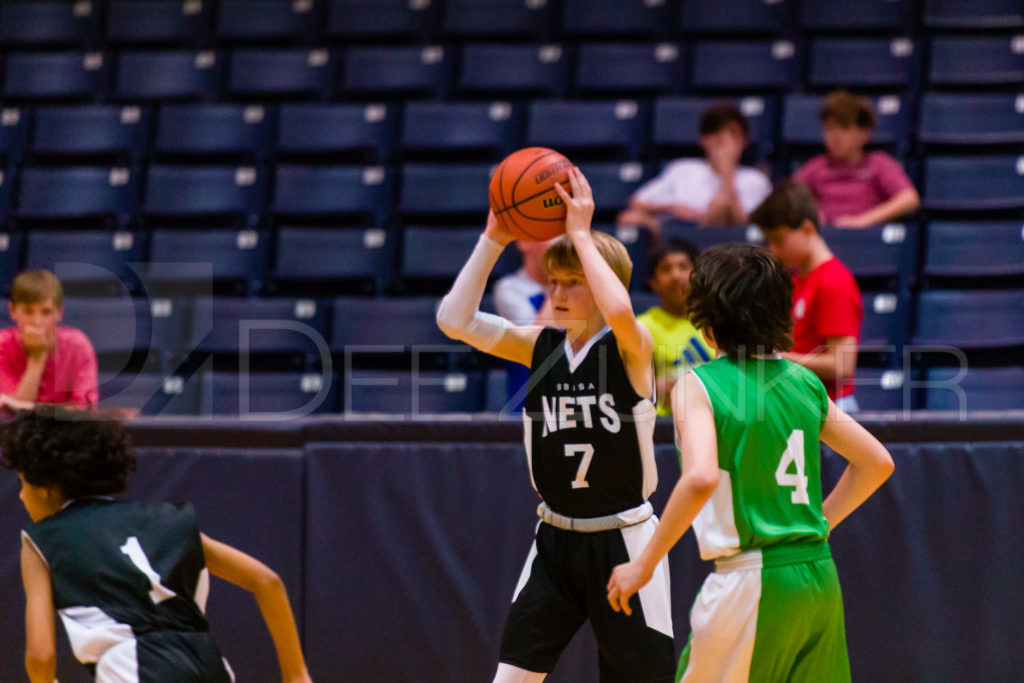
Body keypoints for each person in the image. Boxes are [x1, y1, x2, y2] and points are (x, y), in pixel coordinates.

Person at [606, 242, 895, 682]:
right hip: (817, 573)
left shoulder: (697, 385)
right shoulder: (804, 381)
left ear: (703, 320)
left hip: (751, 580)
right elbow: (876, 462)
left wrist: (643, 563)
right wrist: (818, 524)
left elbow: (701, 477)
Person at [437, 168, 675, 682]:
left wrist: (583, 234)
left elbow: (620, 310)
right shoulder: (538, 346)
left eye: (575, 283)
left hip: (624, 539)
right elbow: (454, 321)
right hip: (555, 539)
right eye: (555, 283)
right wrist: (493, 239)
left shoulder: (633, 349)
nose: (561, 293)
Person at [3, 404, 313, 683]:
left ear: (45, 486)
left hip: (132, 669)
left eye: (23, 483)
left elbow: (40, 655)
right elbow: (266, 580)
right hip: (207, 664)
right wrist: (296, 674)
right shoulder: (166, 519)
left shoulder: (41, 540)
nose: (20, 495)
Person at [752, 179, 863, 412]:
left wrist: (774, 359)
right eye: (768, 241)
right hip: (804, 404)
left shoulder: (834, 281)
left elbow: (842, 365)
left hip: (831, 409)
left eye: (779, 239)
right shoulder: (796, 280)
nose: (773, 249)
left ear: (807, 228)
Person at [617, 103, 772, 238]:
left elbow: (746, 225)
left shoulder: (755, 179)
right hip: (680, 232)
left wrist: (727, 175)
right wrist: (673, 207)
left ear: (744, 142)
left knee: (720, 205)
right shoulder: (683, 169)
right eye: (716, 133)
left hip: (728, 242)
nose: (724, 141)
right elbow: (636, 202)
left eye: (733, 134)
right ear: (703, 140)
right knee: (629, 218)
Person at [794, 90, 920, 228]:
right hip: (825, 239)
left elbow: (909, 199)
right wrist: (812, 213)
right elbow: (787, 198)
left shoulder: (879, 164)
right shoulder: (817, 166)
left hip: (866, 240)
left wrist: (862, 221)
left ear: (864, 133)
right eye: (829, 129)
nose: (836, 137)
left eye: (844, 128)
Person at [637, 238, 713, 416]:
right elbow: (627, 382)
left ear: (697, 275)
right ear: (653, 282)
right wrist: (655, 386)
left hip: (713, 418)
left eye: (683, 267)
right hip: (663, 425)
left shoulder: (714, 322)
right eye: (666, 269)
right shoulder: (642, 326)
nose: (675, 275)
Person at [0, 270, 98, 409]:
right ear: (12, 311)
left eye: (46, 312)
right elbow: (10, 416)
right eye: (28, 311)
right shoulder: (2, 346)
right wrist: (37, 358)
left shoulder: (78, 346)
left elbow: (84, 412)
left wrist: (31, 409)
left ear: (60, 313)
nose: (37, 321)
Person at [492, 237, 557, 412]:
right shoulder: (509, 289)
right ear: (523, 243)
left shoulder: (582, 288)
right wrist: (560, 281)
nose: (557, 242)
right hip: (528, 408)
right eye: (548, 235)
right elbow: (539, 343)